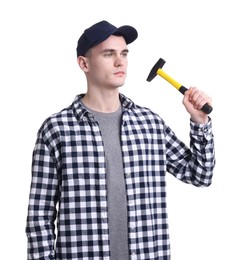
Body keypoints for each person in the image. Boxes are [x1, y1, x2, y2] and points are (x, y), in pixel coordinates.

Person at [25, 20, 215, 260]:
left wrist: (199, 122)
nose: (120, 61)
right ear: (84, 63)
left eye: (124, 53)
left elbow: (200, 175)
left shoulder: (150, 124)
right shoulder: (56, 129)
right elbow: (39, 216)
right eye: (108, 54)